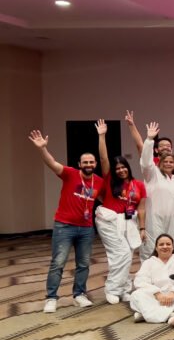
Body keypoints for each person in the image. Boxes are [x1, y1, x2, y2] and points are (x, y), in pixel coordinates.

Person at [30, 129, 107, 312]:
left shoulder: (99, 181)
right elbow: (52, 163)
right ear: (79, 164)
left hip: (86, 229)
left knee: (84, 264)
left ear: (95, 164)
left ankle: (79, 295)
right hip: (64, 226)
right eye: (85, 162)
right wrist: (42, 148)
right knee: (58, 263)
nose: (88, 164)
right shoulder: (70, 174)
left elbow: (106, 201)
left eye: (91, 162)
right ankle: (51, 298)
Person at [95, 119, 147, 304]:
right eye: (117, 168)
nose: (121, 170)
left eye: (123, 167)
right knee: (121, 253)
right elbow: (103, 159)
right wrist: (102, 136)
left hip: (130, 221)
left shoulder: (138, 185)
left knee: (128, 255)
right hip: (109, 221)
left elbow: (141, 208)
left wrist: (142, 228)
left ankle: (124, 289)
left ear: (128, 167)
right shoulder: (110, 180)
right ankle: (112, 288)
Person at [139, 122, 174, 261]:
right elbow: (145, 162)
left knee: (168, 250)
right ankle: (147, 273)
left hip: (173, 220)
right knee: (151, 249)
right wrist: (149, 140)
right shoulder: (152, 174)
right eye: (165, 161)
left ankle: (166, 273)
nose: (168, 164)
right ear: (159, 162)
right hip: (154, 219)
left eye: (171, 162)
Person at [129, 233, 174, 323]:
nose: (165, 246)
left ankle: (146, 314)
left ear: (172, 247)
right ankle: (170, 314)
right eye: (161, 244)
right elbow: (140, 281)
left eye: (168, 244)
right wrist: (157, 293)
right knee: (136, 295)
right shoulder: (148, 263)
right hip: (155, 298)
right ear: (156, 248)